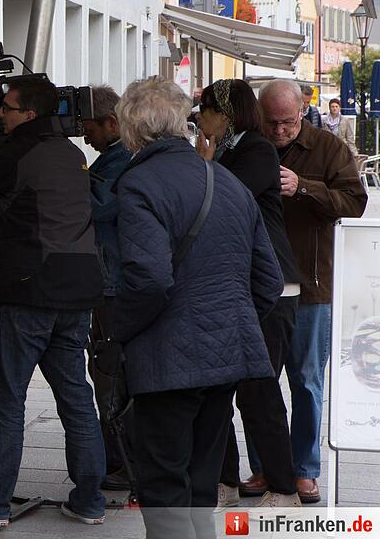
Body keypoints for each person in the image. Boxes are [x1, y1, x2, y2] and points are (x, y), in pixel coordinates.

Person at [114, 76, 283, 539]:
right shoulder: (225, 179)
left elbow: (149, 279)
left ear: (132, 131)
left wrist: (118, 330)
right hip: (225, 358)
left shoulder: (139, 185)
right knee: (201, 481)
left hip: (167, 357)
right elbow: (267, 282)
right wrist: (228, 320)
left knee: (164, 483)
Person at [0, 75, 105, 529]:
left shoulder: (15, 153)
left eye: (7, 109)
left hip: (29, 293)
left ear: (29, 114)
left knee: (8, 399)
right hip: (76, 293)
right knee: (76, 397)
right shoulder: (72, 153)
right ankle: (90, 500)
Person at [195, 79, 303, 509]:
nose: (199, 118)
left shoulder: (255, 150)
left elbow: (227, 198)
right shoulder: (223, 151)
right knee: (216, 388)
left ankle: (284, 487)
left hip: (269, 288)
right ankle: (223, 481)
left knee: (259, 392)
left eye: (204, 109)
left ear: (226, 113)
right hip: (234, 285)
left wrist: (203, 167)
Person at [258, 79, 368, 503]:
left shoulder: (328, 147)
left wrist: (302, 186)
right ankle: (267, 467)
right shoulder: (253, 144)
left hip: (309, 284)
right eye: (272, 122)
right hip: (263, 283)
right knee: (261, 383)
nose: (280, 130)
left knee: (305, 381)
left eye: (287, 122)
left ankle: (304, 469)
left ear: (302, 113)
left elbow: (353, 202)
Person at [82, 85, 134, 492]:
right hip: (111, 281)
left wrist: (73, 181)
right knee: (108, 371)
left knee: (110, 373)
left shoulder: (118, 163)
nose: (85, 137)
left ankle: (121, 463)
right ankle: (119, 460)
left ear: (111, 123)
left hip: (113, 286)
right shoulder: (112, 158)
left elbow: (99, 208)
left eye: (89, 128)